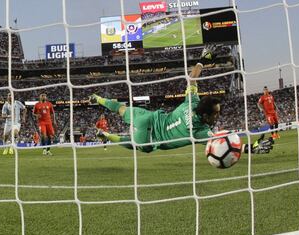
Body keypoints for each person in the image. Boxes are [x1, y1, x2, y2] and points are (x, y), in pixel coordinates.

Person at [89, 45, 273, 155]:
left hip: (150, 118)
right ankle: (106, 136)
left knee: (121, 109)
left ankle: (98, 98)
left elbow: (192, 78)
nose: (218, 116)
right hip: (152, 138)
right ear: (207, 115)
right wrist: (250, 148)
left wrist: (202, 60)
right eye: (216, 114)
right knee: (131, 141)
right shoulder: (200, 131)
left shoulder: (192, 102)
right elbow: (224, 142)